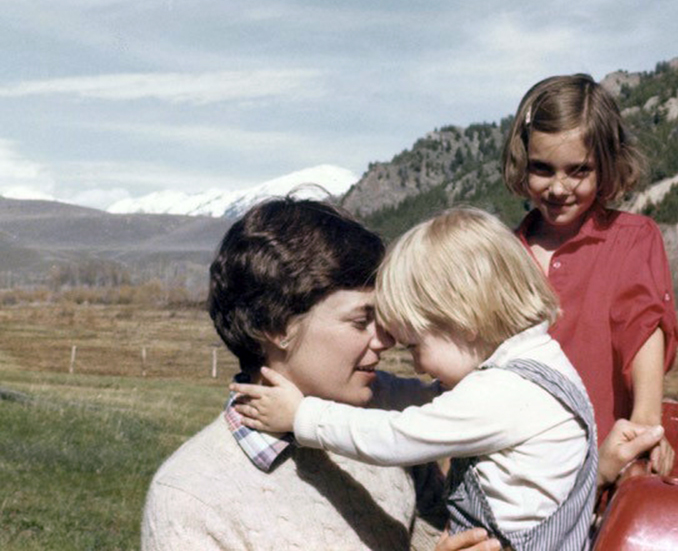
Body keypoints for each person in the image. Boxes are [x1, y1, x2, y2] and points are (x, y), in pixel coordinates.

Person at [231, 207, 598, 551]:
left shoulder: (502, 393)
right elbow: (426, 396)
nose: (418, 365)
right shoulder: (538, 366)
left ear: (463, 321)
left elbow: (396, 437)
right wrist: (375, 387)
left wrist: (302, 416)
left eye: (414, 346)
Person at [141, 197, 490, 551]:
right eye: (360, 321)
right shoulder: (188, 499)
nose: (387, 339)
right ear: (276, 326)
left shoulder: (388, 426)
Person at [501, 73, 678, 474]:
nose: (558, 188)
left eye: (578, 170)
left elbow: (642, 325)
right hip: (516, 470)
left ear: (605, 166)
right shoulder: (503, 253)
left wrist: (646, 422)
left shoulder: (631, 239)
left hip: (602, 459)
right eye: (542, 169)